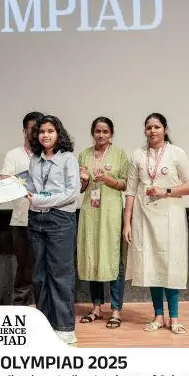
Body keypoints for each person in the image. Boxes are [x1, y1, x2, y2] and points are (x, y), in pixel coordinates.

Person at [123, 113, 189, 334]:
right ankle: (158, 316)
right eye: (149, 127)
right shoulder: (138, 155)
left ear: (165, 129)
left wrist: (166, 191)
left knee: (170, 265)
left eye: (157, 127)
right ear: (144, 131)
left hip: (170, 218)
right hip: (144, 218)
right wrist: (127, 223)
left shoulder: (176, 153)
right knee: (151, 266)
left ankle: (174, 318)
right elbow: (130, 191)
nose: (153, 131)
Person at [26, 115, 80, 345]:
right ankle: (45, 325)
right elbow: (30, 187)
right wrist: (13, 187)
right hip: (36, 219)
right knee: (39, 275)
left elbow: (71, 193)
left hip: (60, 219)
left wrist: (39, 199)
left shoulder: (68, 159)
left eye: (50, 131)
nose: (45, 135)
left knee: (60, 274)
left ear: (59, 134)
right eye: (41, 132)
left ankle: (65, 328)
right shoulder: (35, 159)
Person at [77, 117, 129, 328]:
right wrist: (84, 179)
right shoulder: (84, 154)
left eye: (105, 131)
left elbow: (125, 184)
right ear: (93, 133)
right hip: (90, 213)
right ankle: (96, 308)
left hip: (111, 213)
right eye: (97, 131)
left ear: (111, 134)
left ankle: (115, 310)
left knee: (113, 258)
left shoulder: (119, 154)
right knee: (92, 257)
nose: (101, 135)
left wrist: (108, 179)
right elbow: (81, 189)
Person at [0, 111, 43, 305]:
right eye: (32, 129)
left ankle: (44, 305)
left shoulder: (49, 154)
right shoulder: (14, 155)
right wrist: (26, 186)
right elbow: (5, 181)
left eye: (39, 129)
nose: (35, 133)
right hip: (21, 219)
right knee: (25, 266)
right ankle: (20, 306)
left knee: (45, 265)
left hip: (46, 219)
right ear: (24, 131)